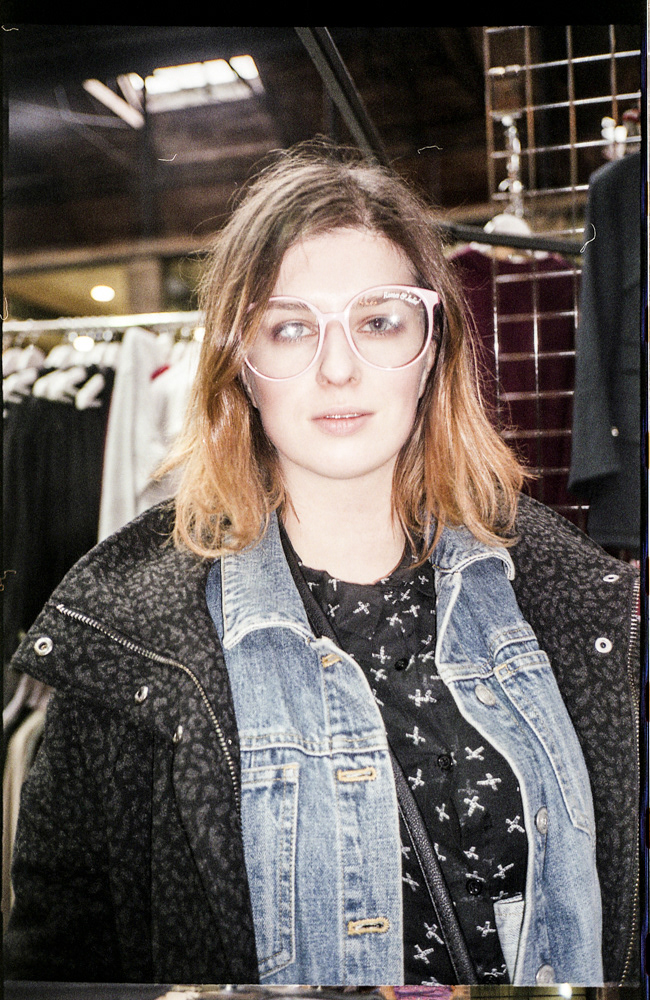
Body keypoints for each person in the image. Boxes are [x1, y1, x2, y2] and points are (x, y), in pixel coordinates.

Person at [4, 141, 639, 988]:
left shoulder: (571, 599)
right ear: (240, 362)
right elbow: (61, 958)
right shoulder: (129, 635)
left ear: (432, 345)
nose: (338, 368)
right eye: (291, 326)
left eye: (379, 321)